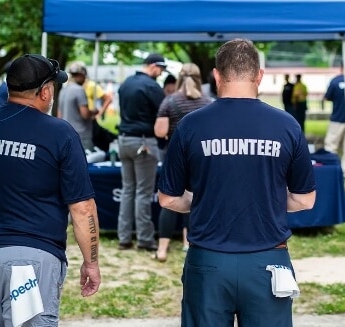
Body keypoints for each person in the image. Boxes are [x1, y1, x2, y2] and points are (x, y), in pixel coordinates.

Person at [158, 38, 316, 327]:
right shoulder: (287, 125)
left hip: (208, 260)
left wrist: (204, 200)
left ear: (217, 76)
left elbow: (168, 198)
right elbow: (305, 199)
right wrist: (263, 200)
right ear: (259, 76)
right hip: (268, 260)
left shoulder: (191, 126)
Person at [0, 54, 101, 326]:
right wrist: (91, 263)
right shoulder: (60, 133)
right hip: (31, 260)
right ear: (45, 91)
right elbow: (82, 207)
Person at [153, 63, 213, 262]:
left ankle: (162, 249)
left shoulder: (170, 101)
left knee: (169, 201)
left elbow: (160, 131)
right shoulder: (208, 102)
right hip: (202, 157)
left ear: (179, 78)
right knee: (195, 199)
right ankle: (189, 243)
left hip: (175, 157)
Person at [116, 53, 167, 251]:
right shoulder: (153, 87)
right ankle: (145, 239)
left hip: (124, 140)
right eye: (161, 69)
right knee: (144, 193)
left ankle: (124, 237)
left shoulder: (126, 83)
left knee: (128, 189)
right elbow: (163, 114)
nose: (161, 73)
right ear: (153, 66)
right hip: (144, 142)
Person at [58, 63, 102, 151]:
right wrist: (94, 111)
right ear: (81, 74)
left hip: (65, 134)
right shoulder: (79, 90)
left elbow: (59, 115)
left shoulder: (63, 90)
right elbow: (85, 114)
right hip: (81, 135)